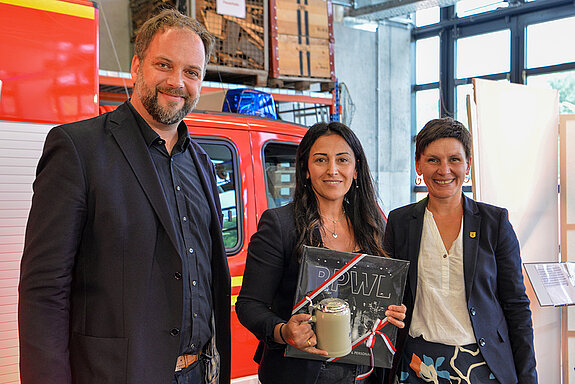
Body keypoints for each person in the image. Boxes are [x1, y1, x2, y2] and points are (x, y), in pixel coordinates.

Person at [18, 9, 231, 384]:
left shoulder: (199, 161)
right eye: (164, 65)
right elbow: (44, 290)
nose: (177, 82)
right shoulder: (78, 148)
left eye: (191, 72)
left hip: (198, 373)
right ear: (136, 66)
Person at [236, 121, 407, 384]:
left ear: (356, 168)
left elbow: (385, 298)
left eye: (342, 160)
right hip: (302, 374)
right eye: (320, 160)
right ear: (305, 169)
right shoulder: (280, 224)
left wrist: (394, 311)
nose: (332, 170)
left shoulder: (374, 226)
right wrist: (284, 332)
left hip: (367, 372)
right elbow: (249, 306)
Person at [384, 117, 537, 384]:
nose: (444, 170)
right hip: (417, 365)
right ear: (418, 163)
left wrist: (527, 377)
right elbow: (388, 298)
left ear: (468, 164)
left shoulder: (494, 222)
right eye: (433, 160)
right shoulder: (399, 222)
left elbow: (516, 306)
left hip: (482, 363)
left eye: (454, 159)